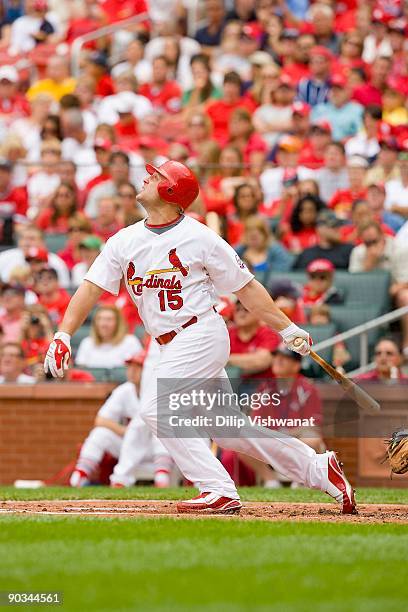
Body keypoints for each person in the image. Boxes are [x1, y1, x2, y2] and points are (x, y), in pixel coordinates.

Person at [44, 159, 356, 515]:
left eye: (156, 175)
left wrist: (285, 327)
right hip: (165, 343)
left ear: (171, 190)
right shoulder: (124, 240)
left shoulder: (200, 236)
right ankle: (318, 468)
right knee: (228, 429)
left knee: (158, 409)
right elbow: (90, 288)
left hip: (199, 332)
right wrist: (64, 334)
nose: (146, 177)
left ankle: (217, 489)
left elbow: (246, 288)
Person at [70, 351, 152, 486]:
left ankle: (163, 479)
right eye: (130, 367)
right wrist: (127, 431)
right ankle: (80, 475)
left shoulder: (158, 390)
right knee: (100, 433)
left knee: (164, 438)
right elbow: (100, 420)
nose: (132, 371)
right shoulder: (124, 390)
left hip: (152, 449)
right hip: (129, 446)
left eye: (138, 367)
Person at [349, 221, 408, 357]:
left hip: (394, 295)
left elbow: (406, 279)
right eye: (368, 243)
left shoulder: (399, 248)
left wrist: (395, 288)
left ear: (383, 236)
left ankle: (406, 344)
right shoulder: (358, 252)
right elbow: (353, 284)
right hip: (367, 297)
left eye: (375, 241)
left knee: (405, 296)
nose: (372, 247)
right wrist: (369, 264)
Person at [0, 225, 70, 287]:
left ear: (42, 242)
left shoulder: (56, 262)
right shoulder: (4, 257)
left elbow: (64, 287)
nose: (26, 242)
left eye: (31, 239)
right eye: (23, 238)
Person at [75, 305, 142, 369]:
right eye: (100, 319)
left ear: (118, 323)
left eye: (109, 319)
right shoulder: (87, 343)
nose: (104, 324)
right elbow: (81, 370)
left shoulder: (130, 341)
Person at [227, 300, 280, 379]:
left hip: (261, 384)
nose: (241, 314)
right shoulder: (228, 333)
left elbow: (261, 362)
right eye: (237, 309)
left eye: (246, 309)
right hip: (233, 383)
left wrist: (227, 360)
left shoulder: (268, 334)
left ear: (258, 313)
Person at [311, 73, 363, 142]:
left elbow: (362, 134)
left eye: (339, 89)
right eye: (332, 89)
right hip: (322, 148)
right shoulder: (319, 109)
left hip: (347, 148)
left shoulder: (358, 110)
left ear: (349, 91)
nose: (335, 92)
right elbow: (312, 134)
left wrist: (348, 140)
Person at [385, 151, 408, 220]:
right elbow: (386, 207)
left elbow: (392, 207)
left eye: (406, 166)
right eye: (402, 166)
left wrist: (397, 208)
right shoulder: (390, 184)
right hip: (391, 220)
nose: (404, 170)